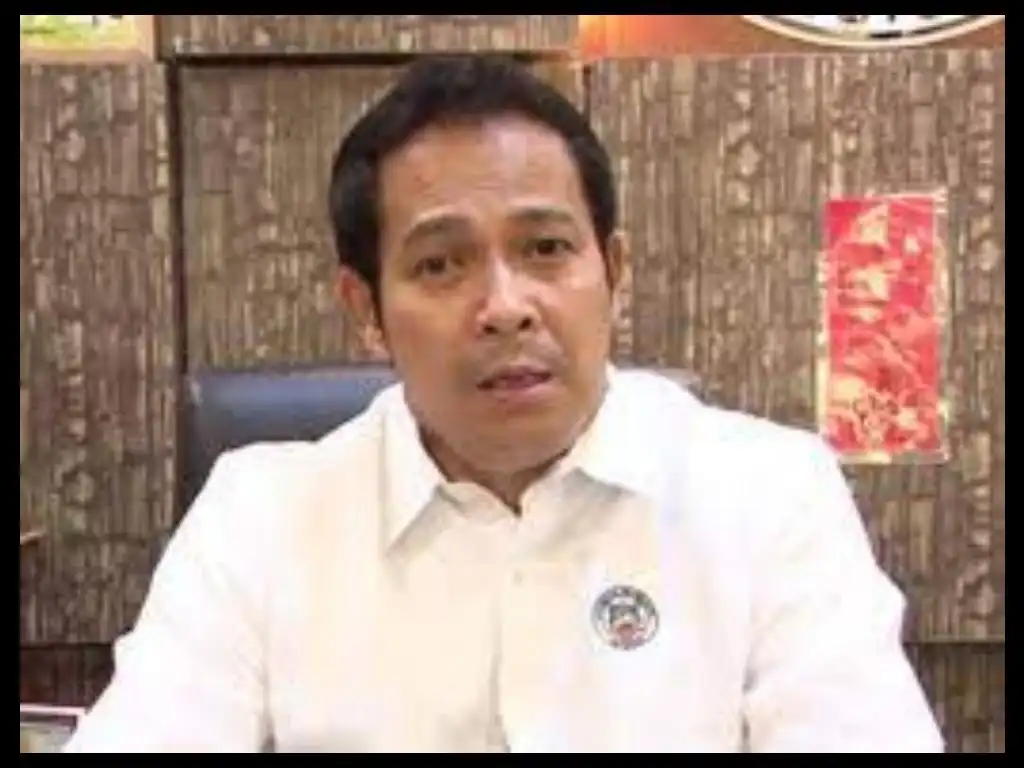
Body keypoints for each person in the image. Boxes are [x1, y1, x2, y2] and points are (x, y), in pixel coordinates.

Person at [65, 54, 943, 753]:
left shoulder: (771, 494)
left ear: (614, 271)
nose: (506, 306)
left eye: (546, 249)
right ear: (365, 309)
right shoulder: (260, 517)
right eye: (440, 264)